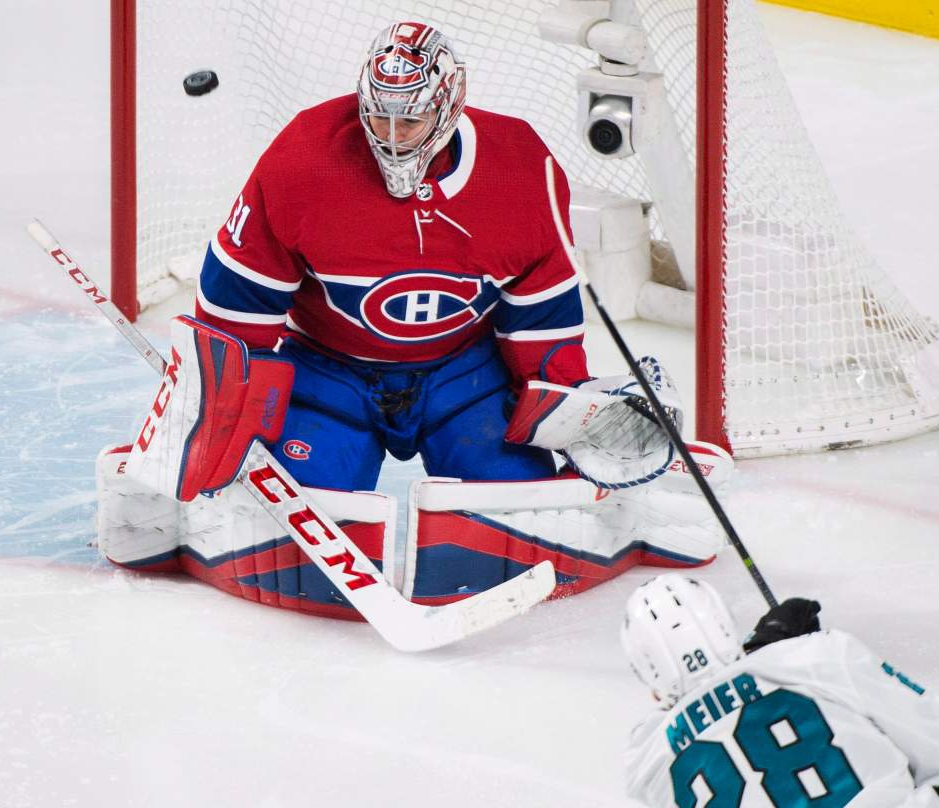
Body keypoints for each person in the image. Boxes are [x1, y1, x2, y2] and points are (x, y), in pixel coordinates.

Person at [94, 22, 732, 618]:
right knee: (304, 503)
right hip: (328, 369)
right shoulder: (302, 163)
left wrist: (565, 400)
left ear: (450, 105)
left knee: (520, 497)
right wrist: (212, 411)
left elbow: (541, 319)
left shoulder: (522, 172)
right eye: (380, 115)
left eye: (412, 117)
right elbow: (234, 313)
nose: (393, 135)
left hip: (462, 372)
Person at [620, 574, 939, 807]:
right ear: (725, 626)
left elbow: (708, 711)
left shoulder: (646, 766)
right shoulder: (819, 658)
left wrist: (766, 656)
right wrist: (784, 654)